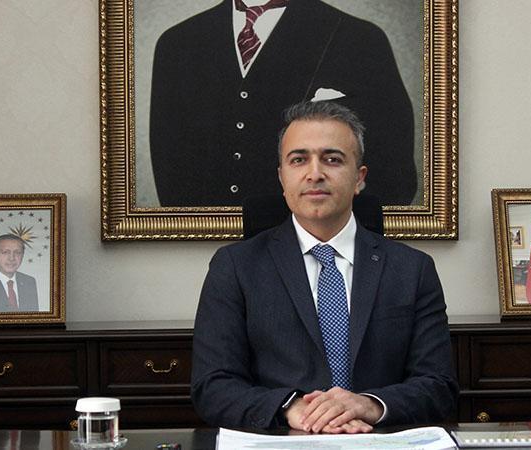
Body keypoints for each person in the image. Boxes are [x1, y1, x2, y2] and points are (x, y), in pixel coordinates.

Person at [191, 102, 457, 433]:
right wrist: (291, 408)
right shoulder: (235, 267)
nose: (314, 173)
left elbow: (439, 386)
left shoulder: (412, 269)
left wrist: (369, 404)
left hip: (374, 440)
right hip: (283, 438)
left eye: (332, 159)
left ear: (359, 178)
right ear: (282, 177)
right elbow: (212, 386)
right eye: (298, 159)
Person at [150, 0, 417, 207]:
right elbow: (169, 163)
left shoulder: (361, 39)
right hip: (198, 244)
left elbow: (394, 170)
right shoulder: (176, 44)